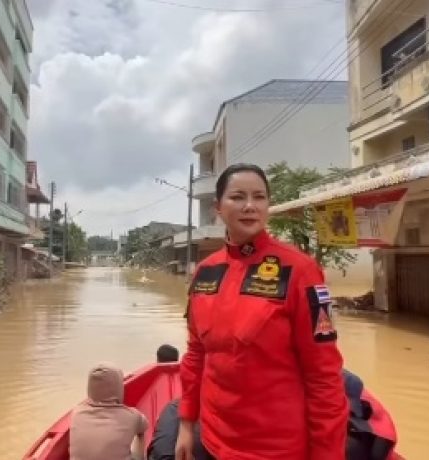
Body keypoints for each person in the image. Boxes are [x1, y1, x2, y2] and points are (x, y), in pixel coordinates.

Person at [176, 163, 349, 460]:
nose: (249, 206)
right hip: (212, 440)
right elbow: (196, 354)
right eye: (238, 197)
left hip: (276, 449)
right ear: (218, 207)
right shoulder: (205, 272)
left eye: (259, 197)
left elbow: (324, 376)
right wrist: (186, 424)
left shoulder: (301, 270)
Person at [70, 362, 149, 460]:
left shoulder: (77, 412)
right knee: (140, 433)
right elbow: (145, 425)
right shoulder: (132, 416)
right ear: (119, 388)